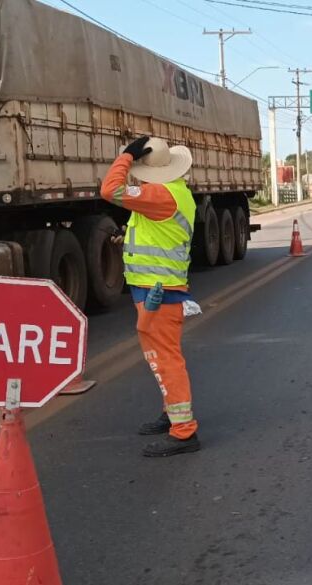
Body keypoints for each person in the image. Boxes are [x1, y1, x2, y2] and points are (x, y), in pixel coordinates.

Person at [101, 136, 201, 457]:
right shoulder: (173, 193)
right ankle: (171, 412)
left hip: (160, 293)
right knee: (160, 358)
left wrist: (126, 157)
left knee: (165, 360)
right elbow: (153, 233)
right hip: (154, 289)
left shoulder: (160, 195)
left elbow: (110, 190)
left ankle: (184, 432)